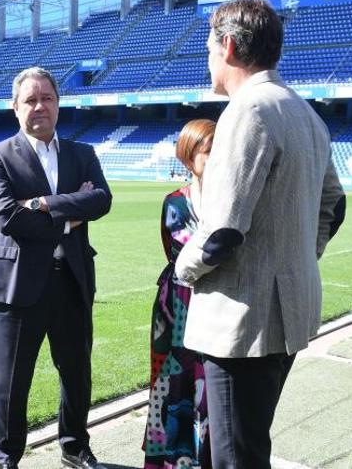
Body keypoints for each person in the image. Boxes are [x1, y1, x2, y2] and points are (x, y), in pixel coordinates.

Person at [173, 0, 346, 468]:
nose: (207, 58)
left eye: (209, 48)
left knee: (235, 456)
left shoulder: (247, 111)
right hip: (289, 311)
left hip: (242, 320)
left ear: (228, 45)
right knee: (249, 444)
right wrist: (298, 259)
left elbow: (223, 233)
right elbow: (336, 205)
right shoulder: (305, 112)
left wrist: (181, 270)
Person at [0, 67, 112, 469]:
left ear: (58, 102)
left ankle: (74, 447)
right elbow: (8, 218)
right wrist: (73, 211)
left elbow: (102, 201)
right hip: (17, 287)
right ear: (15, 107)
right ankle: (7, 457)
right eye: (31, 100)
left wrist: (42, 204)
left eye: (47, 98)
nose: (40, 107)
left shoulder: (82, 153)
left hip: (72, 281)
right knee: (11, 382)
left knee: (76, 373)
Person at [144, 119, 215, 469]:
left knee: (211, 392)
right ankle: (171, 460)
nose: (217, 158)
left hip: (216, 308)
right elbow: (174, 254)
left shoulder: (230, 202)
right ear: (189, 157)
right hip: (175, 308)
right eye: (208, 151)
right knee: (171, 387)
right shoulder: (174, 203)